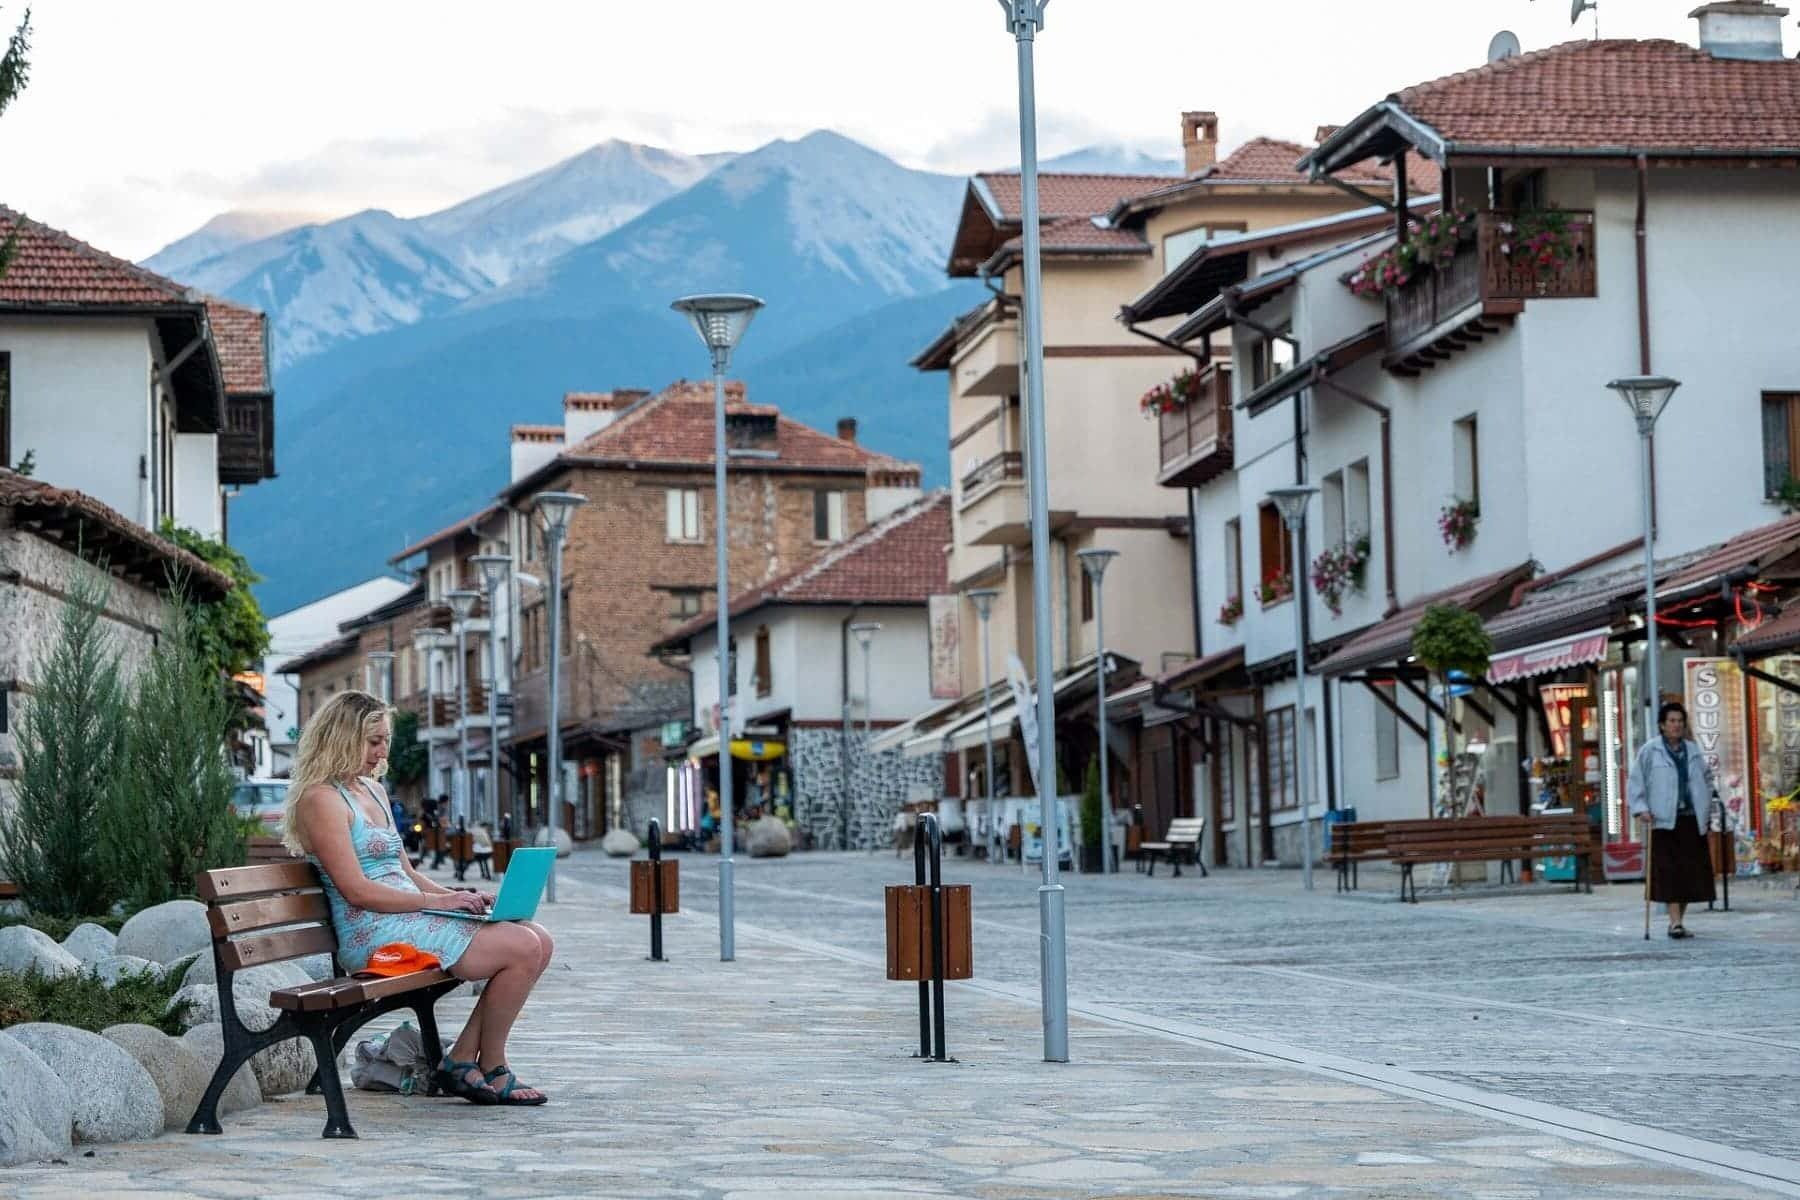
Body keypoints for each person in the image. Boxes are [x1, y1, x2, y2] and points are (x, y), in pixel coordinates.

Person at [280, 690, 553, 1105]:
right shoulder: (320, 799)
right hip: (371, 931)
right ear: (341, 737)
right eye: (373, 741)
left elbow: (406, 872)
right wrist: (440, 905)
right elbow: (357, 890)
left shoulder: (372, 792)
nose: (381, 751)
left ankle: (463, 1058)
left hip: (410, 915)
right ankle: (490, 1064)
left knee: (539, 939)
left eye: (385, 740)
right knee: (522, 947)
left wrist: (458, 895)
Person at [1627, 701, 1724, 939]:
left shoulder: (1693, 750)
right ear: (1662, 725)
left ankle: (1678, 920)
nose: (1676, 725)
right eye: (1671, 721)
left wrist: (1707, 803)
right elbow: (1636, 782)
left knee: (1690, 874)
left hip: (1691, 819)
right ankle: (1674, 923)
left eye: (1680, 721)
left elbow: (1706, 778)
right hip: (1663, 820)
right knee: (1670, 873)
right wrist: (1641, 809)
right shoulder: (1650, 751)